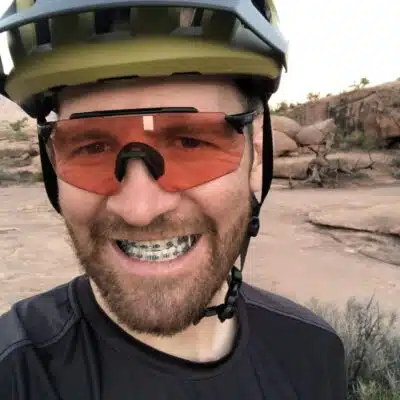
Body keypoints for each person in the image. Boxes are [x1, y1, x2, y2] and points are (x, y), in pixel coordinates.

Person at [0, 1, 347, 399]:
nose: (140, 210)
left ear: (255, 155)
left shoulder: (312, 356)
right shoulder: (14, 374)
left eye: (190, 142)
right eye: (92, 147)